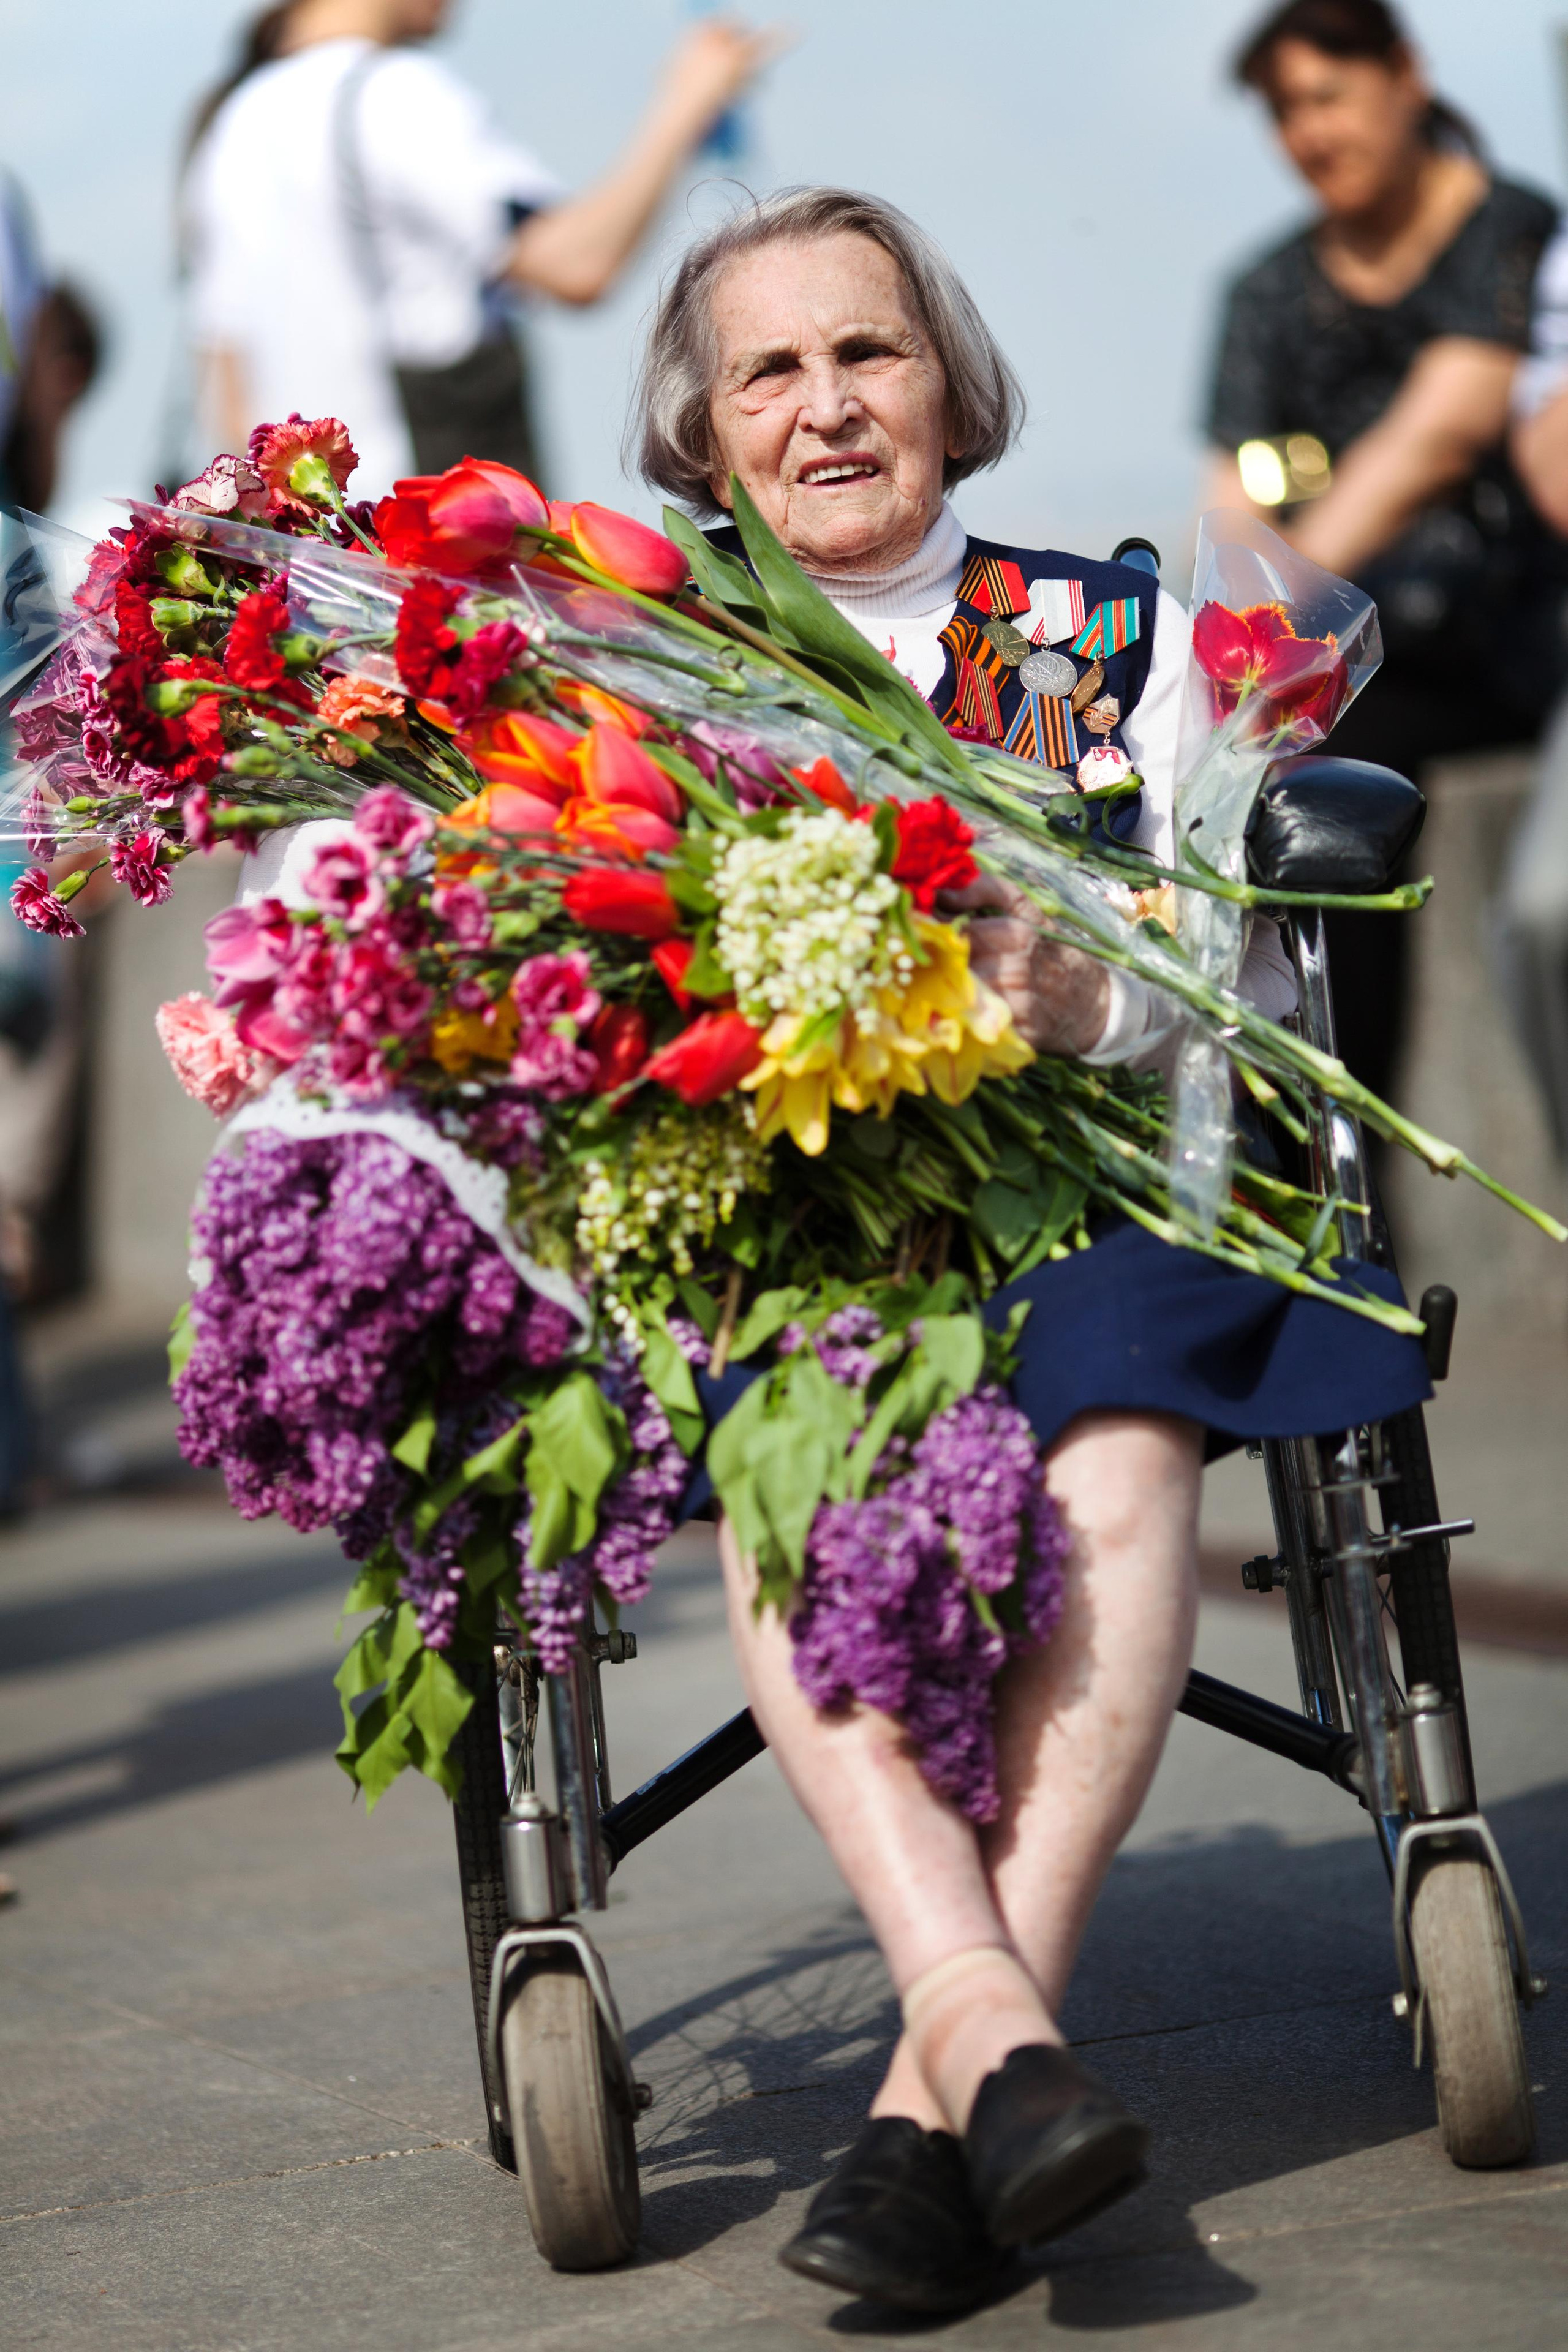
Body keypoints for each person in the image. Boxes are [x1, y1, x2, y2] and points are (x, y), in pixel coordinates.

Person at [630, 185, 1433, 2316]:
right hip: (811, 1224)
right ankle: (990, 2056)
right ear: (704, 437)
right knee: (784, 1428)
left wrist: (1096, 994)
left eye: (866, 352)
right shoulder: (653, 684)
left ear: (949, 383)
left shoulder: (1113, 639)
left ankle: (944, 2088)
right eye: (768, 371)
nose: (825, 407)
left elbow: (1233, 953)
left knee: (1122, 1433)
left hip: (1101, 1185)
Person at [1203, 0, 1565, 1118]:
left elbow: (1439, 431)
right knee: (1303, 815)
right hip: (1383, 669)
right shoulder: (1264, 293)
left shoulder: (1511, 227)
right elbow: (1229, 518)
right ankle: (1338, 1145)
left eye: (1327, 95)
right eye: (1282, 111)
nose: (1308, 131)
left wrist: (1281, 604)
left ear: (1406, 77)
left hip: (1530, 641)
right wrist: (1221, 660)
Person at [182, 0, 779, 497]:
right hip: (433, 537)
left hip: (321, 559)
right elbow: (577, 265)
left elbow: (230, 400)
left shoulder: (231, 124)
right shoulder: (392, 93)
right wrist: (688, 101)